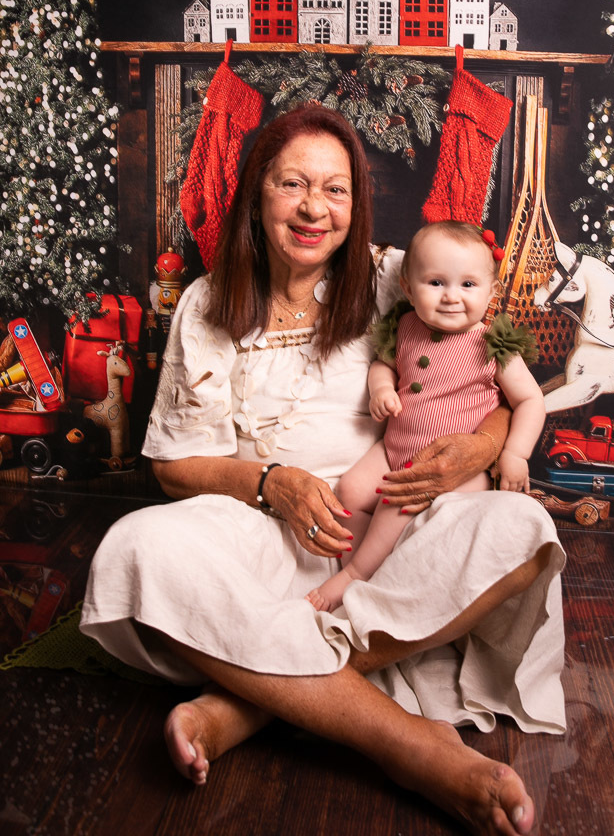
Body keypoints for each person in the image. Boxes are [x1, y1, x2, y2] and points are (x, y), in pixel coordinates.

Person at [80, 105, 566, 836]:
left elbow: (493, 384)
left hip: (396, 526)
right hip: (264, 533)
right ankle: (409, 745)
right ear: (257, 192)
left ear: (356, 203)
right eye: (293, 184)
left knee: (522, 529)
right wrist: (271, 482)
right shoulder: (208, 302)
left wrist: (482, 447)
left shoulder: (398, 275)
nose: (315, 208)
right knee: (135, 548)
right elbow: (174, 468)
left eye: (335, 190)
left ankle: (242, 705)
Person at [306, 221, 546, 613]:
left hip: (456, 470)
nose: (451, 296)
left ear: (492, 292)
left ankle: (354, 576)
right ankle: (370, 572)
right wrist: (382, 389)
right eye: (436, 283)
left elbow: (531, 400)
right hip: (395, 449)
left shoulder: (493, 345)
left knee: (394, 505)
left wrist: (515, 454)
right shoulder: (405, 326)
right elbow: (384, 365)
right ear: (407, 287)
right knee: (349, 491)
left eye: (468, 284)